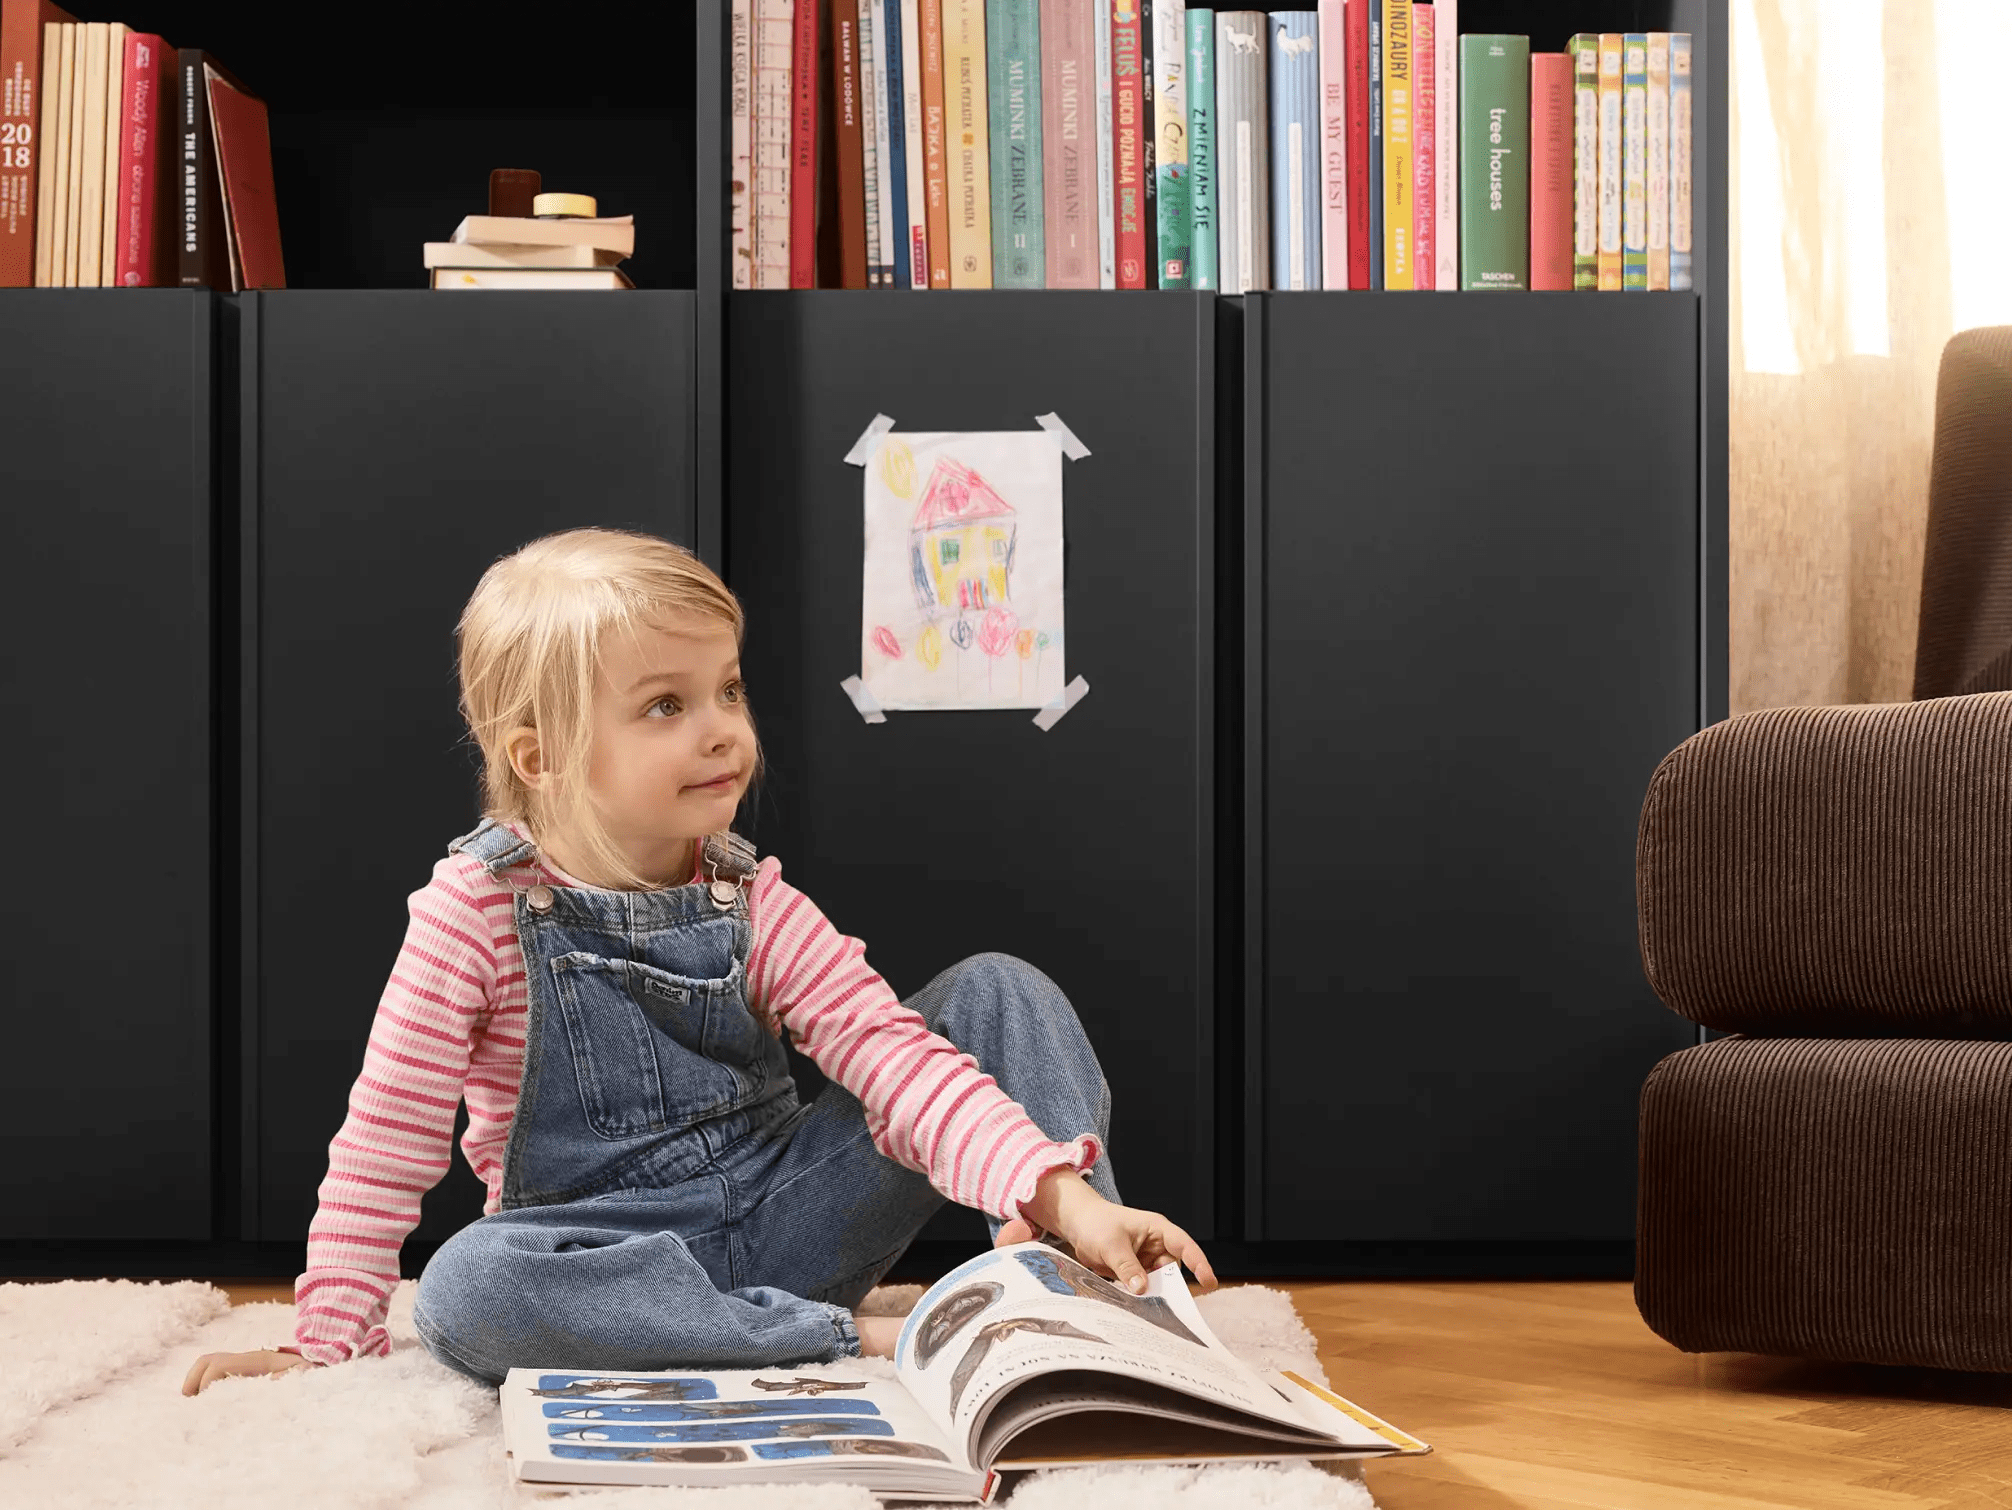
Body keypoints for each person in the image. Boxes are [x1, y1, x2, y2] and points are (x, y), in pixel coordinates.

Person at [182, 527, 1214, 1396]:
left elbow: (891, 1059)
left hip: (789, 1221)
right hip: (599, 1262)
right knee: (463, 1289)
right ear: (538, 756)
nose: (723, 730)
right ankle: (832, 1340)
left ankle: (1081, 1284)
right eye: (666, 706)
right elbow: (384, 1144)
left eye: (725, 689)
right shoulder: (472, 912)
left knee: (996, 988)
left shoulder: (749, 895)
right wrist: (325, 1346)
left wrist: (1060, 1193)